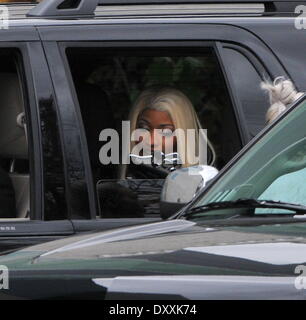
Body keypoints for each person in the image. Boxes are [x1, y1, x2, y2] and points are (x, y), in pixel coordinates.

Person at [120, 87, 217, 179]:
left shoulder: (208, 186)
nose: (152, 141)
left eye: (166, 132)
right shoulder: (118, 190)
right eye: (144, 129)